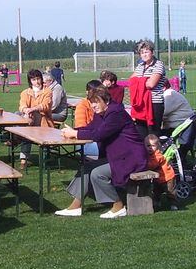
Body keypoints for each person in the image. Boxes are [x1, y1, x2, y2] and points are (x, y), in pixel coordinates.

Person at [57, 86, 148, 219]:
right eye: (91, 102)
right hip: (118, 157)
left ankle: (118, 206)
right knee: (87, 167)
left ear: (106, 100)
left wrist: (75, 134)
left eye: (96, 102)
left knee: (97, 174)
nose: (93, 105)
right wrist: (74, 131)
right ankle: (76, 206)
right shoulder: (102, 113)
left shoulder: (116, 113)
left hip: (131, 158)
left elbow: (99, 134)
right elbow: (91, 128)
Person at [131, 40, 168, 135]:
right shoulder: (140, 66)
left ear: (152, 52)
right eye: (142, 52)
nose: (144, 54)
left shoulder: (158, 65)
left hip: (154, 103)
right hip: (141, 103)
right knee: (140, 132)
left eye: (146, 52)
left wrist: (139, 81)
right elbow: (132, 81)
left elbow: (151, 84)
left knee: (153, 133)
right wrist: (144, 81)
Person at [17, 69, 53, 167]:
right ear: (30, 81)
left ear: (41, 79)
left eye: (38, 79)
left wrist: (33, 109)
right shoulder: (25, 92)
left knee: (28, 125)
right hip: (29, 118)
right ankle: (23, 156)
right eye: (33, 79)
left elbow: (45, 105)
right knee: (21, 117)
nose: (36, 82)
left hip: (43, 120)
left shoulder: (47, 91)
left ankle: (16, 139)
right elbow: (22, 105)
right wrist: (26, 110)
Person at [144, 133, 178, 210]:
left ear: (157, 146)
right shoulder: (149, 155)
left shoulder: (158, 155)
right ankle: (157, 202)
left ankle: (173, 204)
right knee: (156, 191)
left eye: (153, 146)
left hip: (167, 177)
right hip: (158, 178)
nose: (150, 148)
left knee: (170, 191)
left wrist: (144, 165)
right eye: (148, 146)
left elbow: (153, 165)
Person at [74, 79, 103, 158]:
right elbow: (81, 127)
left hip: (96, 139)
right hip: (85, 141)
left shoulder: (103, 109)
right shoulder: (82, 106)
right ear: (87, 92)